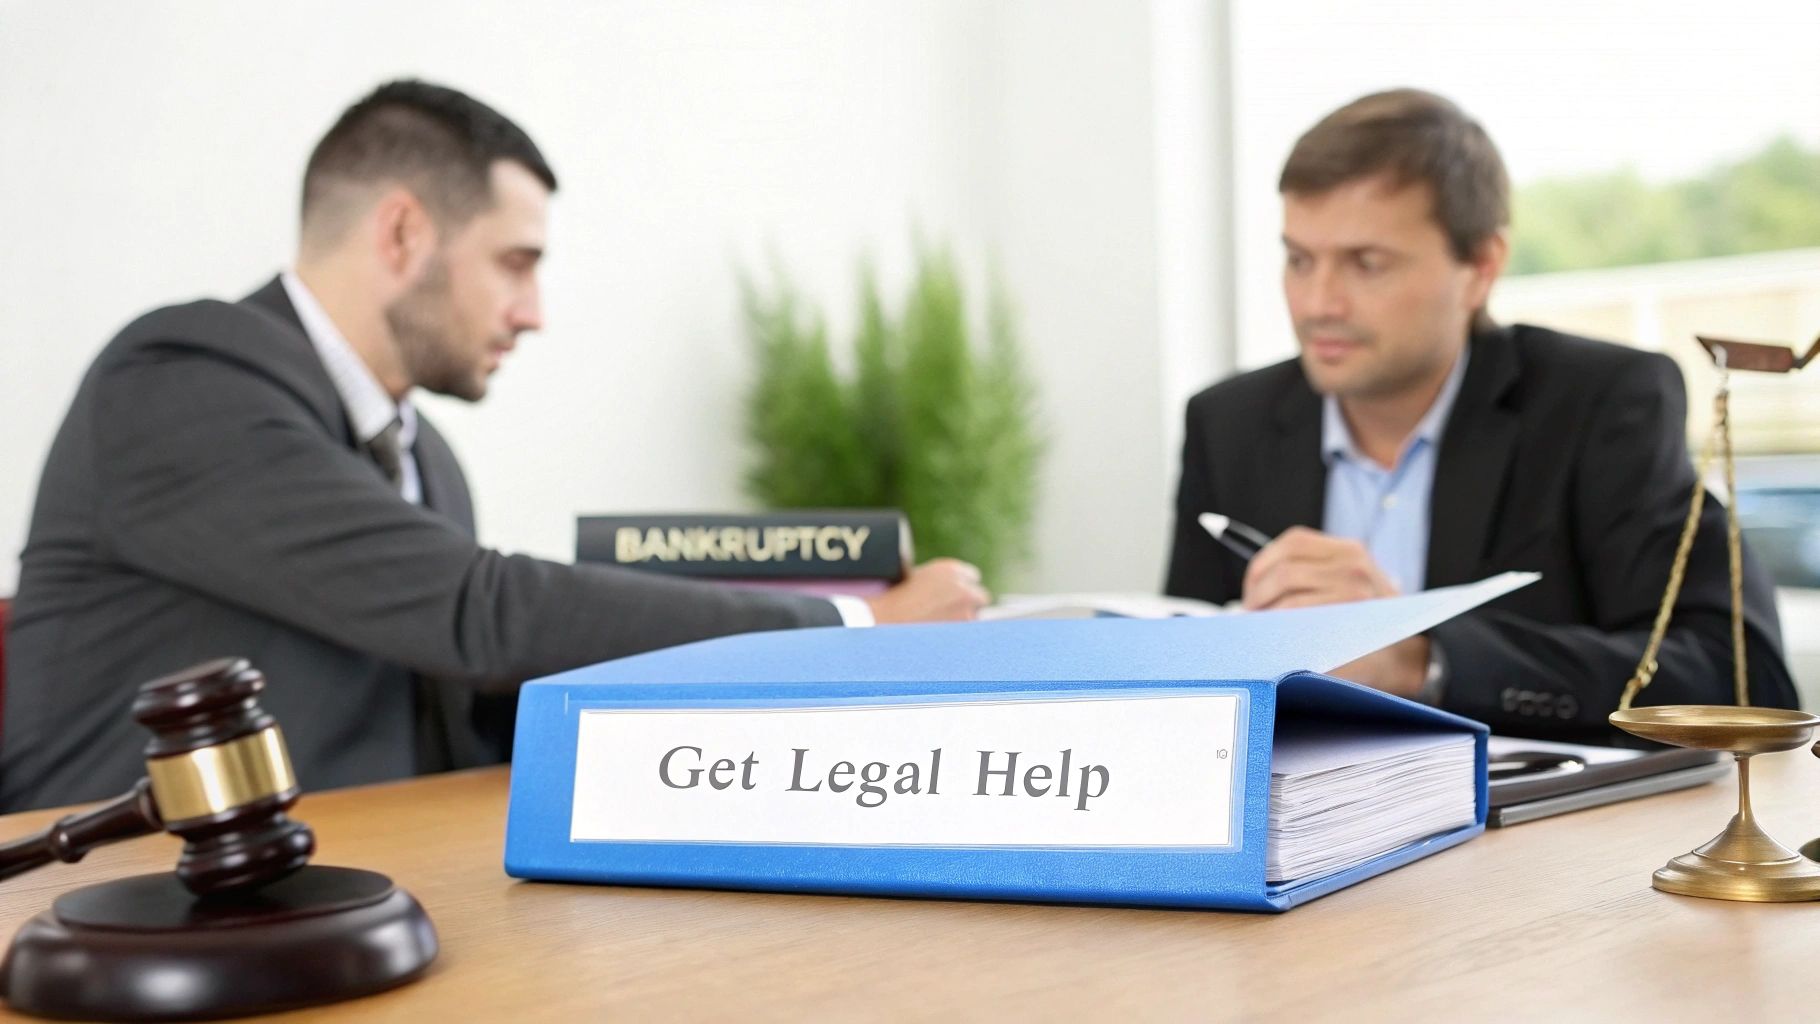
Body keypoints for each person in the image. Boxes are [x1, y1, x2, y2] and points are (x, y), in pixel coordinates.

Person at [1, 80, 987, 812]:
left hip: (358, 897)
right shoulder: (180, 380)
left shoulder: (429, 462)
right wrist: (858, 631)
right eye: (515, 264)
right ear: (401, 233)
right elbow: (478, 612)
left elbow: (471, 697)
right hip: (112, 920)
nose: (534, 312)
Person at [1165, 88, 1796, 742]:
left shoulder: (1601, 403)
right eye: (1298, 259)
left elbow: (1741, 681)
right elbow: (1181, 676)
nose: (1317, 302)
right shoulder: (1227, 423)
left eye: (1366, 263)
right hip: (1297, 826)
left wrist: (1424, 660)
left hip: (1542, 834)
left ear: (1481, 267)